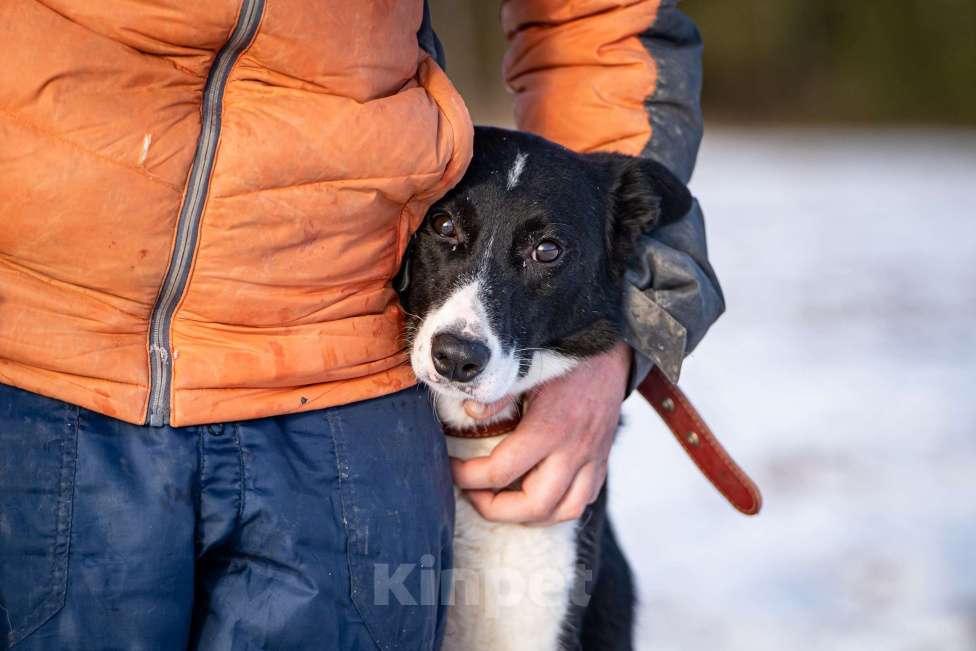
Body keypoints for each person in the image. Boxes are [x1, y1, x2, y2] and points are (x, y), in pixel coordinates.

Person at [0, 1, 722, 649]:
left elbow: (600, 25)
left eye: (545, 251)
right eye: (448, 231)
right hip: (45, 358)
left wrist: (614, 351)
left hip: (344, 394)